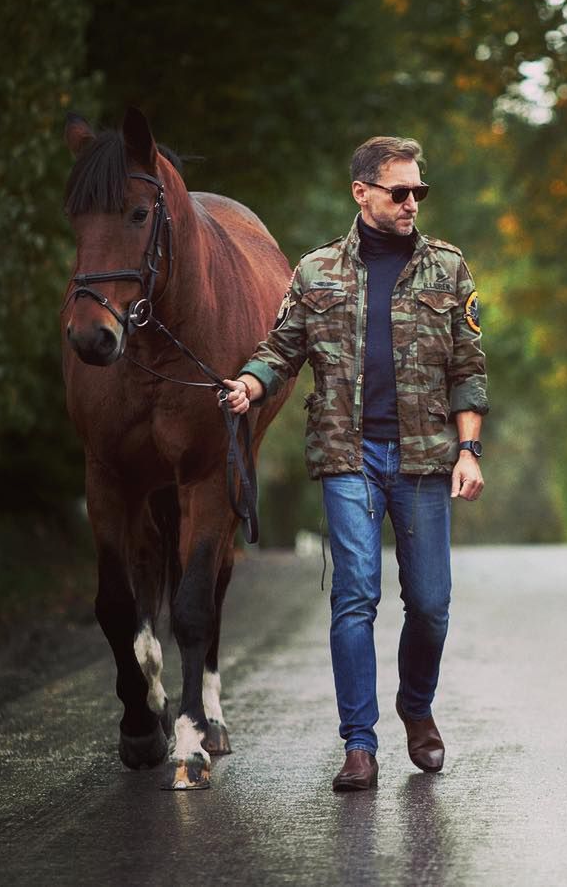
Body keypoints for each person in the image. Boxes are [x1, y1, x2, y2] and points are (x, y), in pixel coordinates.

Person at [222, 136, 488, 791]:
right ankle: (359, 745)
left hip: (425, 457)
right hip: (348, 454)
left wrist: (470, 450)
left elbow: (468, 367)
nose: (411, 203)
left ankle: (416, 707)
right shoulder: (315, 273)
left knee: (429, 604)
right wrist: (250, 385)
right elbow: (279, 348)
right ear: (361, 192)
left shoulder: (447, 270)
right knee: (355, 595)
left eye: (418, 192)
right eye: (399, 191)